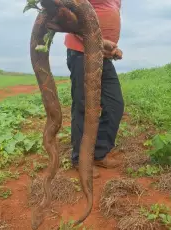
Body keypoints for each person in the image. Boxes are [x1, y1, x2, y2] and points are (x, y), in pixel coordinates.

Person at [65, 0, 124, 178]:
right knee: (83, 105)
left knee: (115, 104)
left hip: (102, 56)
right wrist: (98, 40)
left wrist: (111, 48)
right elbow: (69, 18)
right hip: (81, 53)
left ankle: (98, 153)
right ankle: (79, 159)